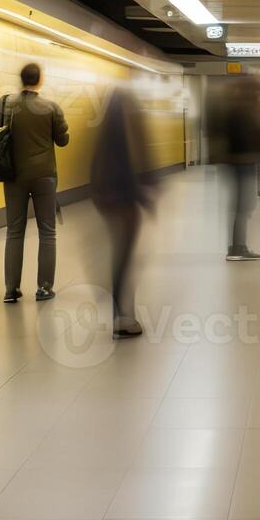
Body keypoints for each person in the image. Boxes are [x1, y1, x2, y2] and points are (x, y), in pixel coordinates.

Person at [0, 63, 69, 303]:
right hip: (44, 176)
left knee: (14, 231)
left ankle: (11, 290)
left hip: (14, 177)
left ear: (21, 80)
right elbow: (62, 141)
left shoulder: (5, 104)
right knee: (47, 232)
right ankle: (44, 288)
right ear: (40, 80)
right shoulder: (52, 108)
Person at [90, 85, 153, 338]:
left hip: (106, 198)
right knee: (124, 257)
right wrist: (143, 195)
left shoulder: (102, 132)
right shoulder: (125, 132)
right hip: (123, 199)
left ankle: (120, 311)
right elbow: (131, 166)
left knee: (120, 254)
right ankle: (122, 316)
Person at [210, 76, 260, 261]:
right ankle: (237, 248)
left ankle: (237, 246)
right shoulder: (241, 111)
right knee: (243, 206)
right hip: (242, 162)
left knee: (242, 206)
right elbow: (244, 138)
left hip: (237, 162)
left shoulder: (234, 109)